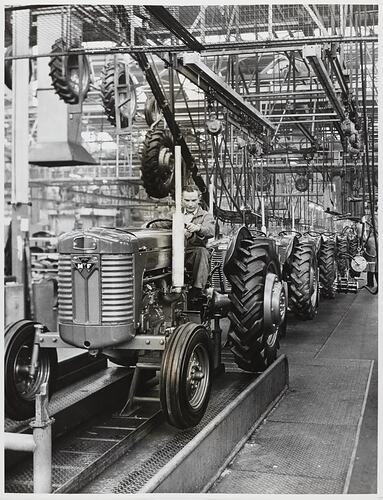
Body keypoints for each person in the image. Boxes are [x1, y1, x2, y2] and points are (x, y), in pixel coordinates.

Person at [182, 185, 215, 300]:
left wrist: (198, 228)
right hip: (176, 251)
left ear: (199, 199)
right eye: (186, 200)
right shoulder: (176, 215)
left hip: (193, 252)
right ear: (181, 199)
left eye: (193, 200)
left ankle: (197, 290)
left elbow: (210, 230)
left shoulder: (205, 216)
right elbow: (162, 224)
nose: (190, 204)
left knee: (202, 252)